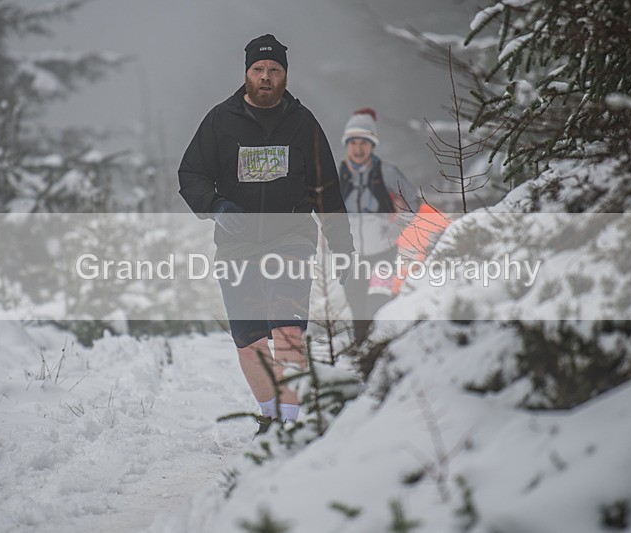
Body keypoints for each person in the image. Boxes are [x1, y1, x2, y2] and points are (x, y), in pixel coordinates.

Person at [178, 34, 354, 434]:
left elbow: (326, 188)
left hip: (291, 234)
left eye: (274, 70)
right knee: (250, 338)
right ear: (246, 74)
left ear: (285, 76)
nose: (266, 77)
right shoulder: (220, 121)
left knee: (287, 328)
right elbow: (191, 174)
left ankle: (291, 423)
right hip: (236, 243)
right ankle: (270, 416)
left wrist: (343, 248)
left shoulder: (303, 123)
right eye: (258, 69)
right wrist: (216, 206)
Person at [338, 108, 448, 344]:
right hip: (350, 257)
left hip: (383, 254)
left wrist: (394, 228)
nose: (358, 149)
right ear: (347, 145)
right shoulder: (339, 174)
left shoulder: (387, 172)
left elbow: (413, 203)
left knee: (379, 304)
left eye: (364, 143)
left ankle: (382, 352)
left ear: (372, 145)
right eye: (353, 143)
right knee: (358, 311)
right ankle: (363, 356)